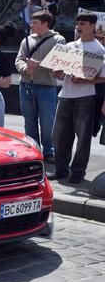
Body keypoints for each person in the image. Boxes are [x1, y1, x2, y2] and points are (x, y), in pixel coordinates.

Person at [50, 12, 105, 183]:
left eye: (83, 24)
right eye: (77, 24)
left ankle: (78, 173)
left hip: (86, 99)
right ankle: (60, 170)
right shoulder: (70, 46)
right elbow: (58, 70)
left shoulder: (99, 50)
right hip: (65, 96)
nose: (78, 27)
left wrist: (84, 80)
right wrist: (57, 72)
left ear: (92, 26)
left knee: (83, 139)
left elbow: (103, 77)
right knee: (58, 137)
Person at [15, 10, 66, 160]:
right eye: (31, 22)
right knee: (29, 121)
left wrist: (37, 65)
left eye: (35, 23)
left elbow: (58, 61)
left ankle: (49, 151)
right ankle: (33, 150)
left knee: (47, 122)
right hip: (26, 86)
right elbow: (19, 59)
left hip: (47, 87)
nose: (31, 25)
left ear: (45, 24)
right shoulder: (26, 40)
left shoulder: (58, 39)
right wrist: (26, 68)